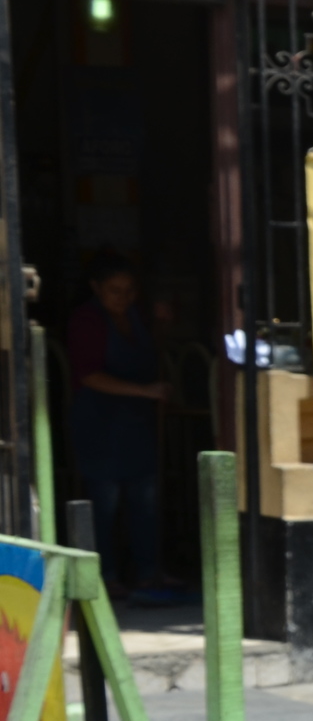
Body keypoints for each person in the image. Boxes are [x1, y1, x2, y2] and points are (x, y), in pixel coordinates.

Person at [64, 252, 169, 596]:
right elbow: (89, 375)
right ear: (96, 288)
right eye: (114, 290)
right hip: (100, 424)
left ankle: (148, 573)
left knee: (145, 502)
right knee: (103, 505)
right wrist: (144, 391)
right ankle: (105, 576)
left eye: (129, 290)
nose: (122, 297)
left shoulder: (137, 317)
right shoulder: (86, 321)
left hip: (136, 425)